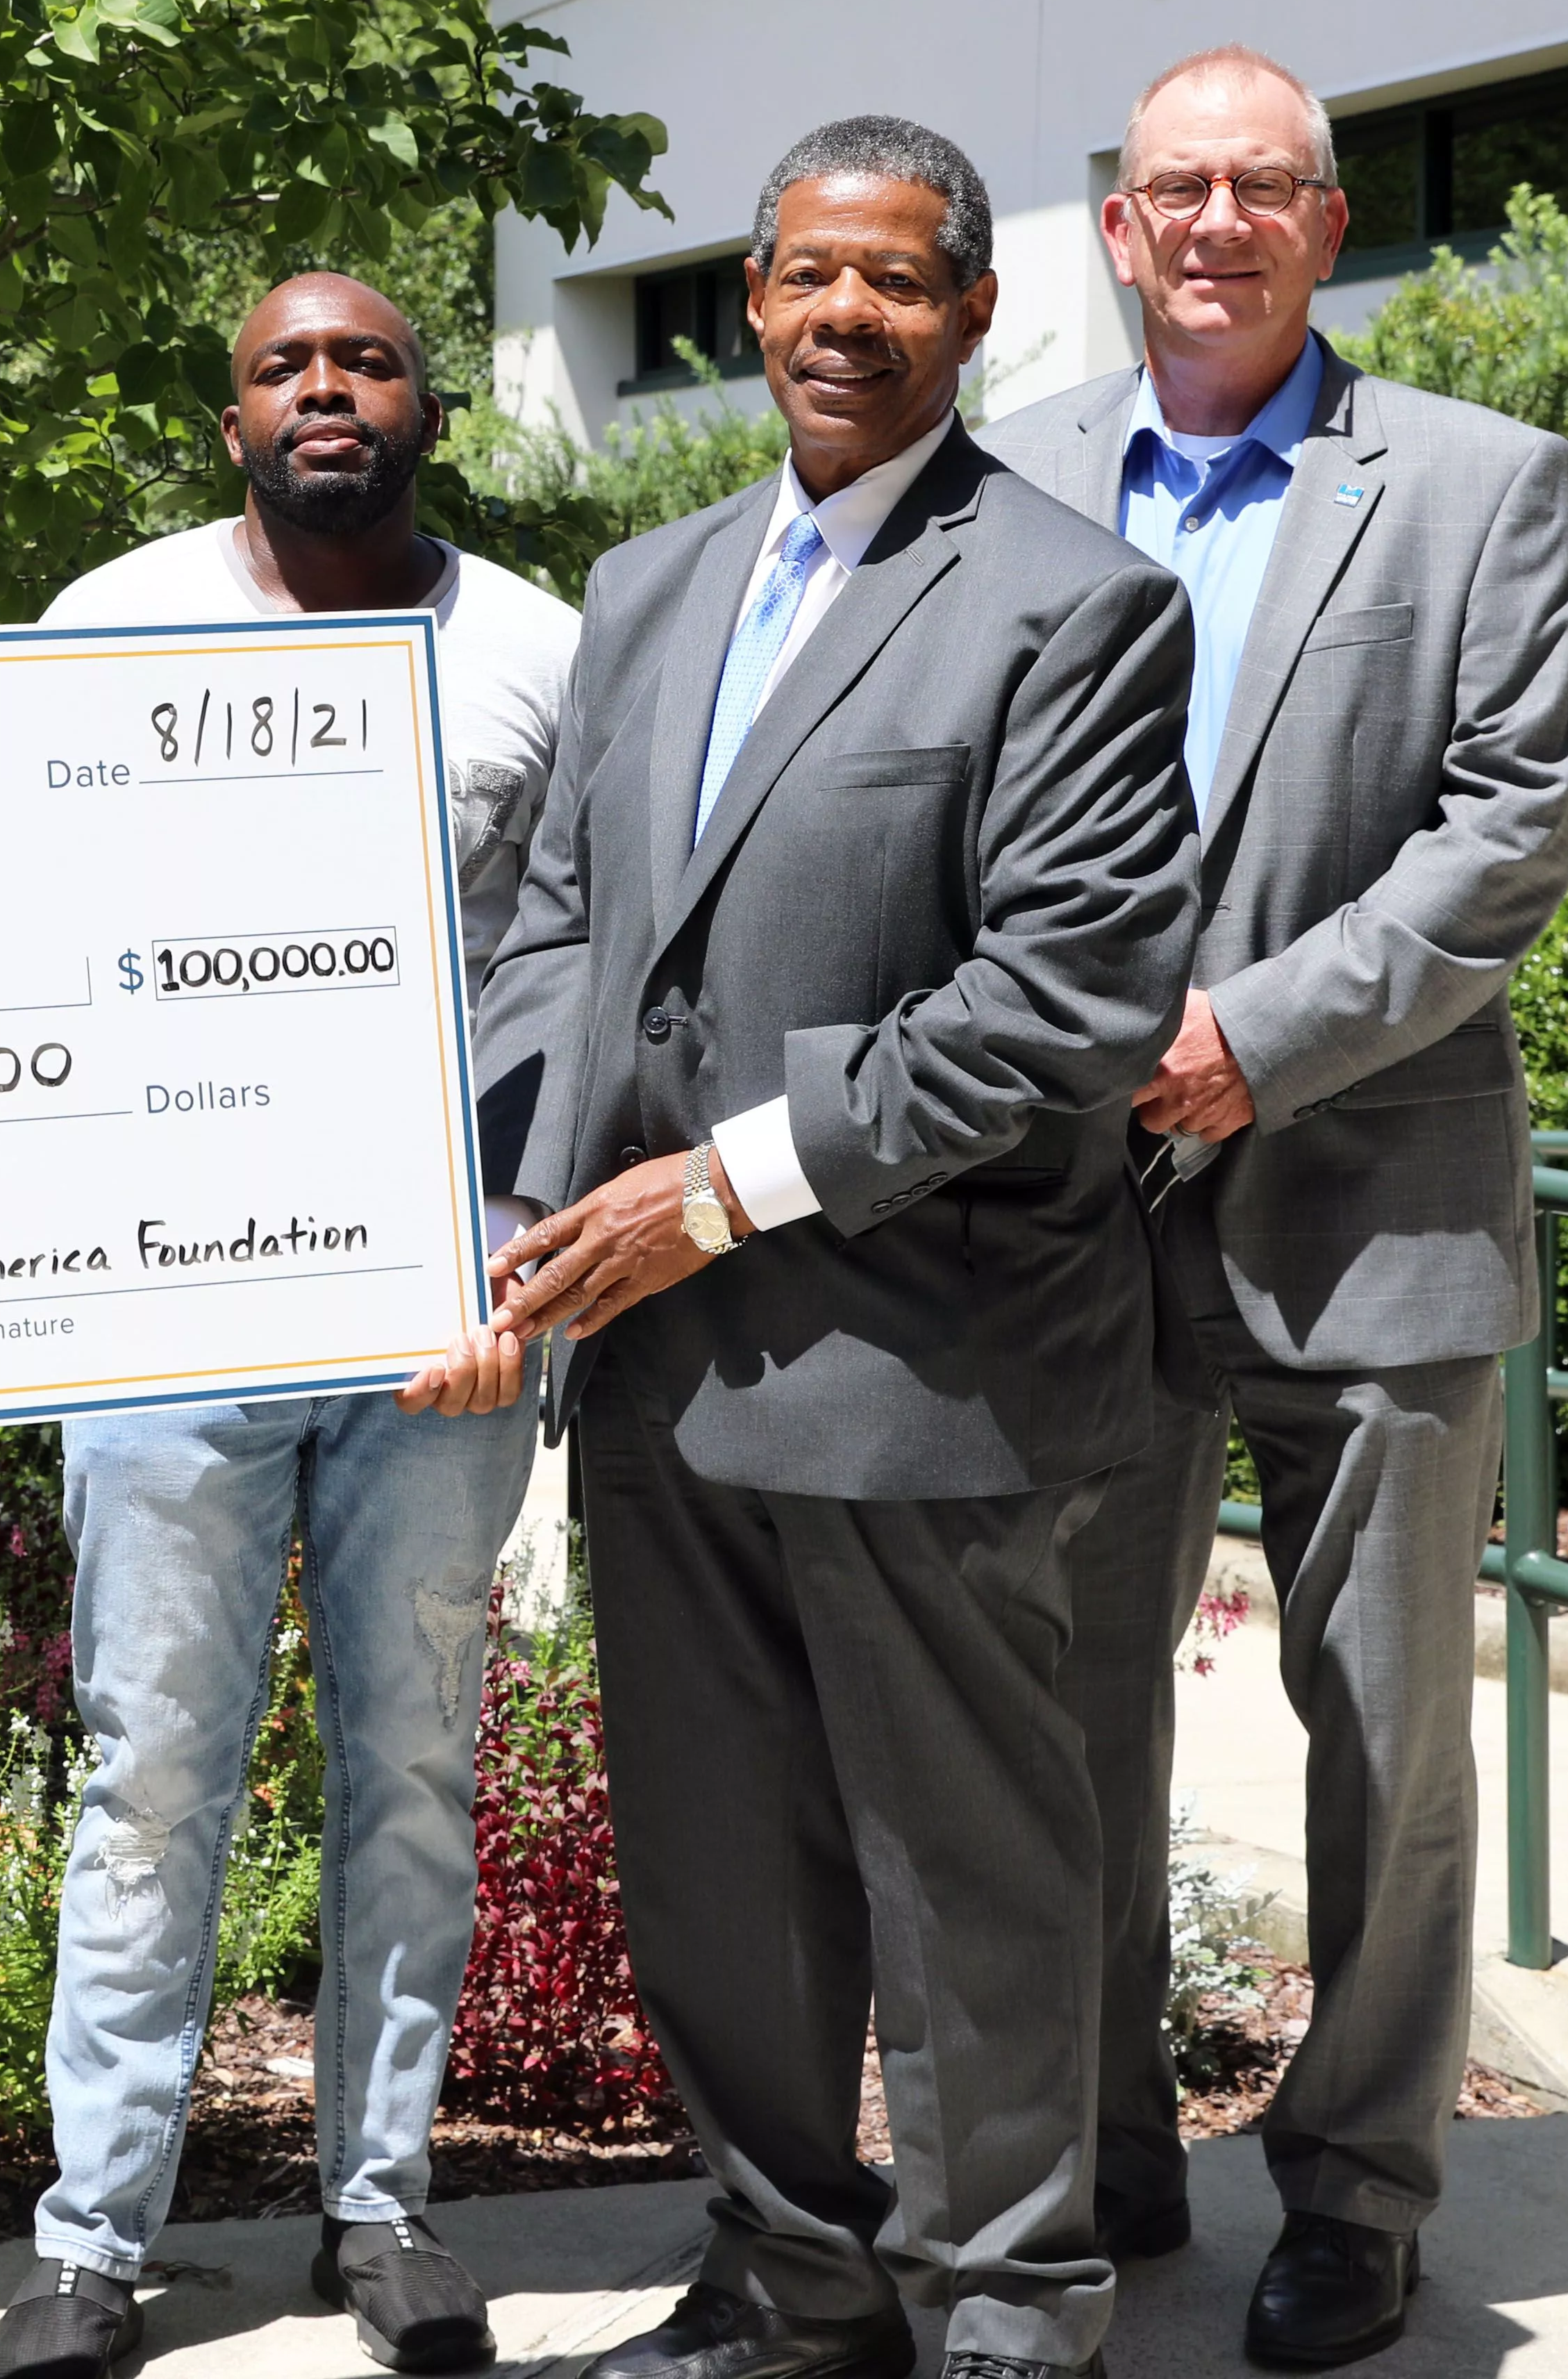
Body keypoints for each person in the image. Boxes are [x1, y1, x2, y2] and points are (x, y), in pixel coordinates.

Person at [475, 117, 1200, 2379]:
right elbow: (567, 929)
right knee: (716, 1866)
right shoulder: (648, 589)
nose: (840, 319)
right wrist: (530, 1199)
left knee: (963, 1877)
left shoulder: (1071, 600)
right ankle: (796, 2279)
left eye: (895, 283)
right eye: (803, 277)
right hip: (663, 1374)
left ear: (976, 312)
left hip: (923, 1357)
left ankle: (1002, 2304)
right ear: (752, 298)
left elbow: (1059, 1000)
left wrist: (721, 1187)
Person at [985, 47, 1568, 2370]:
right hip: (1058, 1223)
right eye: (1175, 187)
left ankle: (1355, 2188)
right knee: (1062, 1720)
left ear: (1328, 229)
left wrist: (1245, 1040)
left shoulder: (1471, 483)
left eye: (1266, 187)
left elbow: (1503, 830)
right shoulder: (1006, 473)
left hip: (1370, 1211)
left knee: (1385, 1742)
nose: (1218, 221)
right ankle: (1103, 2151)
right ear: (1116, 228)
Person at [0, 276, 572, 2379]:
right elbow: (4, 949)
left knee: (411, 1762)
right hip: (170, 1302)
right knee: (149, 1774)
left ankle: (381, 2209)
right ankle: (88, 2238)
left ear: (425, 406)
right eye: (281, 366)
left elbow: (575, 972)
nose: (328, 391)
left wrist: (518, 1243)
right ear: (229, 415)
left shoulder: (532, 652)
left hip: (440, 1317)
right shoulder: (106, 619)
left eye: (369, 362)